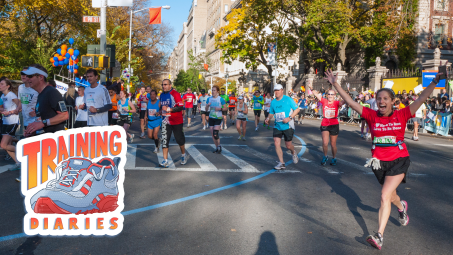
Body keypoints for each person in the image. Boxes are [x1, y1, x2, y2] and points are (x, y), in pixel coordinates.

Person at [324, 64, 448, 249]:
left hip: (399, 160)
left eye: (385, 99)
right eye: (378, 98)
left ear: (392, 102)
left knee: (384, 195)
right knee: (391, 196)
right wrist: (336, 85)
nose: (381, 101)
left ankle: (379, 235)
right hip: (378, 162)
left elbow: (422, 97)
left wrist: (436, 81)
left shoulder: (403, 114)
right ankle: (402, 206)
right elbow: (350, 102)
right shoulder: (371, 115)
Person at [265, 84, 300, 170]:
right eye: (275, 90)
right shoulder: (273, 102)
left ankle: (293, 152)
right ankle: (281, 163)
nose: (276, 92)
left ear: (282, 90)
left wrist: (289, 118)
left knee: (288, 146)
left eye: (278, 90)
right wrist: (268, 118)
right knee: (276, 143)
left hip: (288, 126)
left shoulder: (288, 99)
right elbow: (272, 113)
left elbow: (297, 109)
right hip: (277, 126)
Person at [309, 85, 344, 166]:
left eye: (332, 94)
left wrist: (343, 93)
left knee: (333, 144)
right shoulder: (324, 101)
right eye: (329, 94)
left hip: (334, 124)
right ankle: (325, 156)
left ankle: (334, 157)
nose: (330, 96)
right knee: (325, 143)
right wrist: (311, 87)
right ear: (327, 95)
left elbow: (345, 101)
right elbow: (316, 95)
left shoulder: (337, 103)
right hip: (325, 123)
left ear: (335, 96)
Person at [159, 79, 188, 167]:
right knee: (164, 140)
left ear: (170, 85)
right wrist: (160, 112)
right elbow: (163, 107)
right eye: (162, 85)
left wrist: (169, 109)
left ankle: (183, 155)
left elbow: (180, 107)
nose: (164, 86)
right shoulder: (161, 95)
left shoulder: (175, 94)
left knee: (179, 140)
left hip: (176, 121)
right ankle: (165, 160)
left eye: (165, 84)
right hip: (165, 121)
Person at [0, 79, 21, 171]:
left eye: (2, 84)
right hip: (5, 121)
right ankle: (18, 163)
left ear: (7, 86)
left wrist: (12, 111)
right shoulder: (2, 96)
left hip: (12, 121)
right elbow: (2, 109)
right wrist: (2, 111)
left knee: (3, 145)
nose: (0, 85)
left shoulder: (11, 95)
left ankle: (26, 151)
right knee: (7, 145)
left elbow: (20, 106)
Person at [207, 85, 227, 153]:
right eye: (212, 90)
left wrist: (219, 108)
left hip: (218, 117)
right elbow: (206, 109)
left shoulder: (220, 99)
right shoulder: (209, 99)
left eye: (214, 90)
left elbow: (225, 108)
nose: (213, 91)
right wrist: (207, 105)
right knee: (212, 134)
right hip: (211, 117)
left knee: (215, 133)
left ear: (217, 91)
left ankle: (219, 146)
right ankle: (216, 147)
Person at [19, 66, 38, 134]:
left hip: (35, 121)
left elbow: (45, 103)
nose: (23, 76)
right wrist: (15, 110)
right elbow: (20, 102)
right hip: (25, 121)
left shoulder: (36, 88)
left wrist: (37, 112)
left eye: (26, 74)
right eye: (22, 74)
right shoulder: (20, 87)